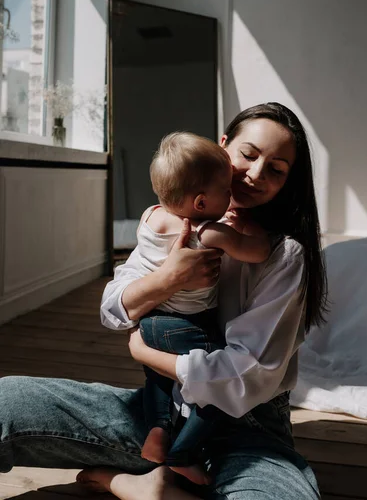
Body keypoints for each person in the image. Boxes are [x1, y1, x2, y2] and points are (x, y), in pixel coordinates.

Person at [0, 103, 327, 500]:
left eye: (276, 169)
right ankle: (158, 477)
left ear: (288, 182)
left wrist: (148, 353)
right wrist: (169, 278)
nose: (255, 175)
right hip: (160, 420)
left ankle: (144, 487)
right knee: (7, 401)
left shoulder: (284, 254)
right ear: (223, 147)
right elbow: (113, 308)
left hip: (249, 433)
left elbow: (248, 374)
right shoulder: (173, 223)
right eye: (248, 155)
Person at [135, 132, 271, 485]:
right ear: (199, 203)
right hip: (186, 323)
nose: (231, 195)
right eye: (225, 190)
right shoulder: (207, 231)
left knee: (158, 377)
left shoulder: (150, 217)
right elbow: (258, 253)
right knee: (216, 384)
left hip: (151, 322)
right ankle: (183, 453)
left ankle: (157, 430)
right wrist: (245, 228)